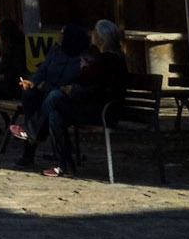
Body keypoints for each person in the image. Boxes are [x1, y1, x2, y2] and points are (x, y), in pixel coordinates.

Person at [39, 19, 129, 177]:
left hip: (102, 111)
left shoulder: (108, 59)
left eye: (94, 32)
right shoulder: (109, 58)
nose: (92, 34)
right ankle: (65, 165)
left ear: (102, 39)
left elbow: (83, 78)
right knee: (55, 116)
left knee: (54, 96)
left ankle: (34, 131)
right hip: (97, 107)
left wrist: (83, 69)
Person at [9, 21, 91, 159]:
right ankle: (31, 144)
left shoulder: (83, 58)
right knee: (30, 96)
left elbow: (79, 83)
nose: (59, 35)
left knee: (50, 101)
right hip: (47, 92)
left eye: (62, 33)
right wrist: (33, 82)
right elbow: (42, 69)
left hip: (65, 98)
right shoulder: (56, 50)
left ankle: (30, 139)